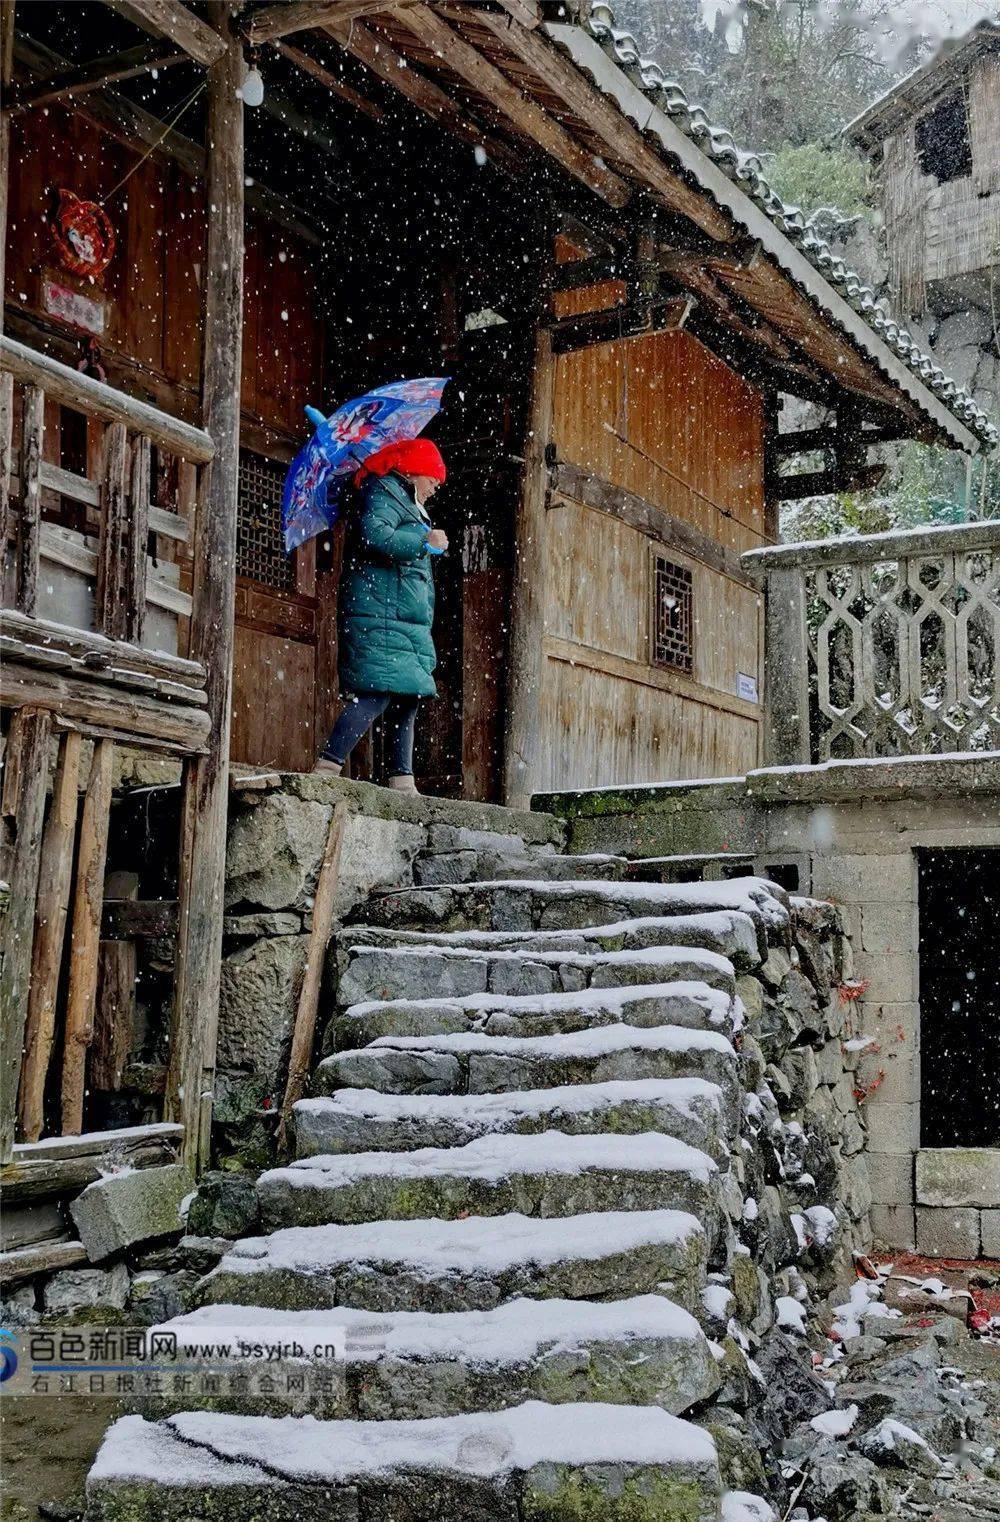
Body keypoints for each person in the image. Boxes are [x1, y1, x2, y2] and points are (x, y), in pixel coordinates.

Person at [316, 436, 448, 792]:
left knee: (408, 697)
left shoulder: (403, 500)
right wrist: (423, 542)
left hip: (402, 621)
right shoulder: (381, 491)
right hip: (379, 616)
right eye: (434, 479)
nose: (436, 487)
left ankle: (401, 779)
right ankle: (328, 766)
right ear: (416, 471)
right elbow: (374, 536)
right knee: (375, 692)